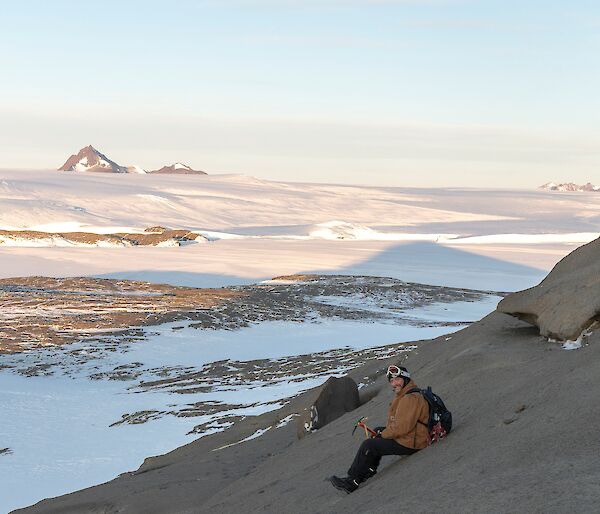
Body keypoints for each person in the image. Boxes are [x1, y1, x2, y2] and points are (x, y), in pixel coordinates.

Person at [329, 365, 430, 493]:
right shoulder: (407, 393)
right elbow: (401, 424)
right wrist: (382, 432)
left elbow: (402, 428)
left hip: (413, 442)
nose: (394, 383)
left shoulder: (409, 398)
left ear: (405, 378)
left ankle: (352, 481)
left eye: (397, 379)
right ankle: (369, 470)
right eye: (391, 381)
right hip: (414, 435)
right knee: (377, 431)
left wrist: (384, 434)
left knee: (369, 445)